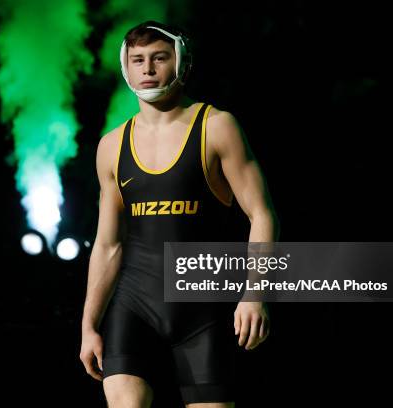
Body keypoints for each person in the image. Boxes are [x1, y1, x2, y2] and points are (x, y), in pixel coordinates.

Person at [80, 20, 280, 408]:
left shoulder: (217, 127)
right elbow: (108, 244)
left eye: (159, 58)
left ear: (182, 64)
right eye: (137, 60)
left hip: (202, 309)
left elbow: (262, 214)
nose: (148, 69)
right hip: (133, 305)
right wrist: (89, 325)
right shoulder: (111, 146)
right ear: (126, 68)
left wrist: (255, 294)